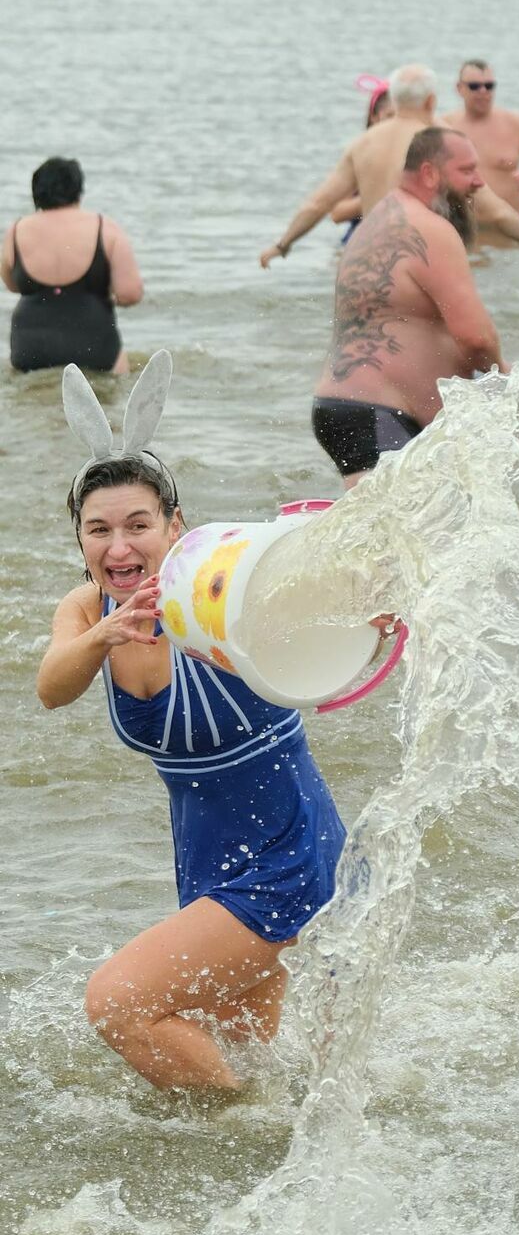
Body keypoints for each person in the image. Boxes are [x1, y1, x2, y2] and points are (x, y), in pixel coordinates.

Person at [36, 362, 345, 1091]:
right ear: (79, 539)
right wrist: (104, 638)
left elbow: (317, 596)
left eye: (138, 525)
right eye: (99, 529)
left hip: (287, 851)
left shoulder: (216, 589)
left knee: (119, 1005)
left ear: (175, 526)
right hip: (209, 858)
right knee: (242, 1051)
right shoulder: (87, 612)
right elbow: (52, 687)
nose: (119, 547)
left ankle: (247, 1132)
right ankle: (275, 1147)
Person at [312, 127, 503, 486]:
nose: (479, 182)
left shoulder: (376, 222)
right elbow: (475, 338)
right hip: (380, 414)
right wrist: (505, 375)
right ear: (430, 173)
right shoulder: (430, 230)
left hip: (345, 407)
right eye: (467, 171)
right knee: (413, 537)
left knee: (391, 536)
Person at [259, 65, 519, 267]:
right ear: (431, 101)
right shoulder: (439, 144)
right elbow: (494, 208)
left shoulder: (363, 143)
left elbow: (318, 203)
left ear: (395, 99)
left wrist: (282, 245)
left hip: (372, 260)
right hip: (422, 260)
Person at [2, 158, 143, 374]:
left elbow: (12, 285)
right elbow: (130, 294)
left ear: (36, 192)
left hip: (30, 349)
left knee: (33, 396)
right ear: (78, 189)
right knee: (116, 379)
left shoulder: (17, 230)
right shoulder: (105, 228)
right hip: (94, 347)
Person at [443, 59, 519, 217]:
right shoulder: (444, 127)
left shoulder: (516, 124)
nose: (483, 91)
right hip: (461, 229)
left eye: (489, 86)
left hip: (508, 230)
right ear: (460, 88)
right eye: (474, 86)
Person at [331, 74, 396, 239]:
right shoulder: (360, 155)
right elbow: (337, 214)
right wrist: (377, 195)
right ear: (374, 117)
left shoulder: (421, 154)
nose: (396, 123)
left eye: (401, 117)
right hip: (361, 235)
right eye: (390, 116)